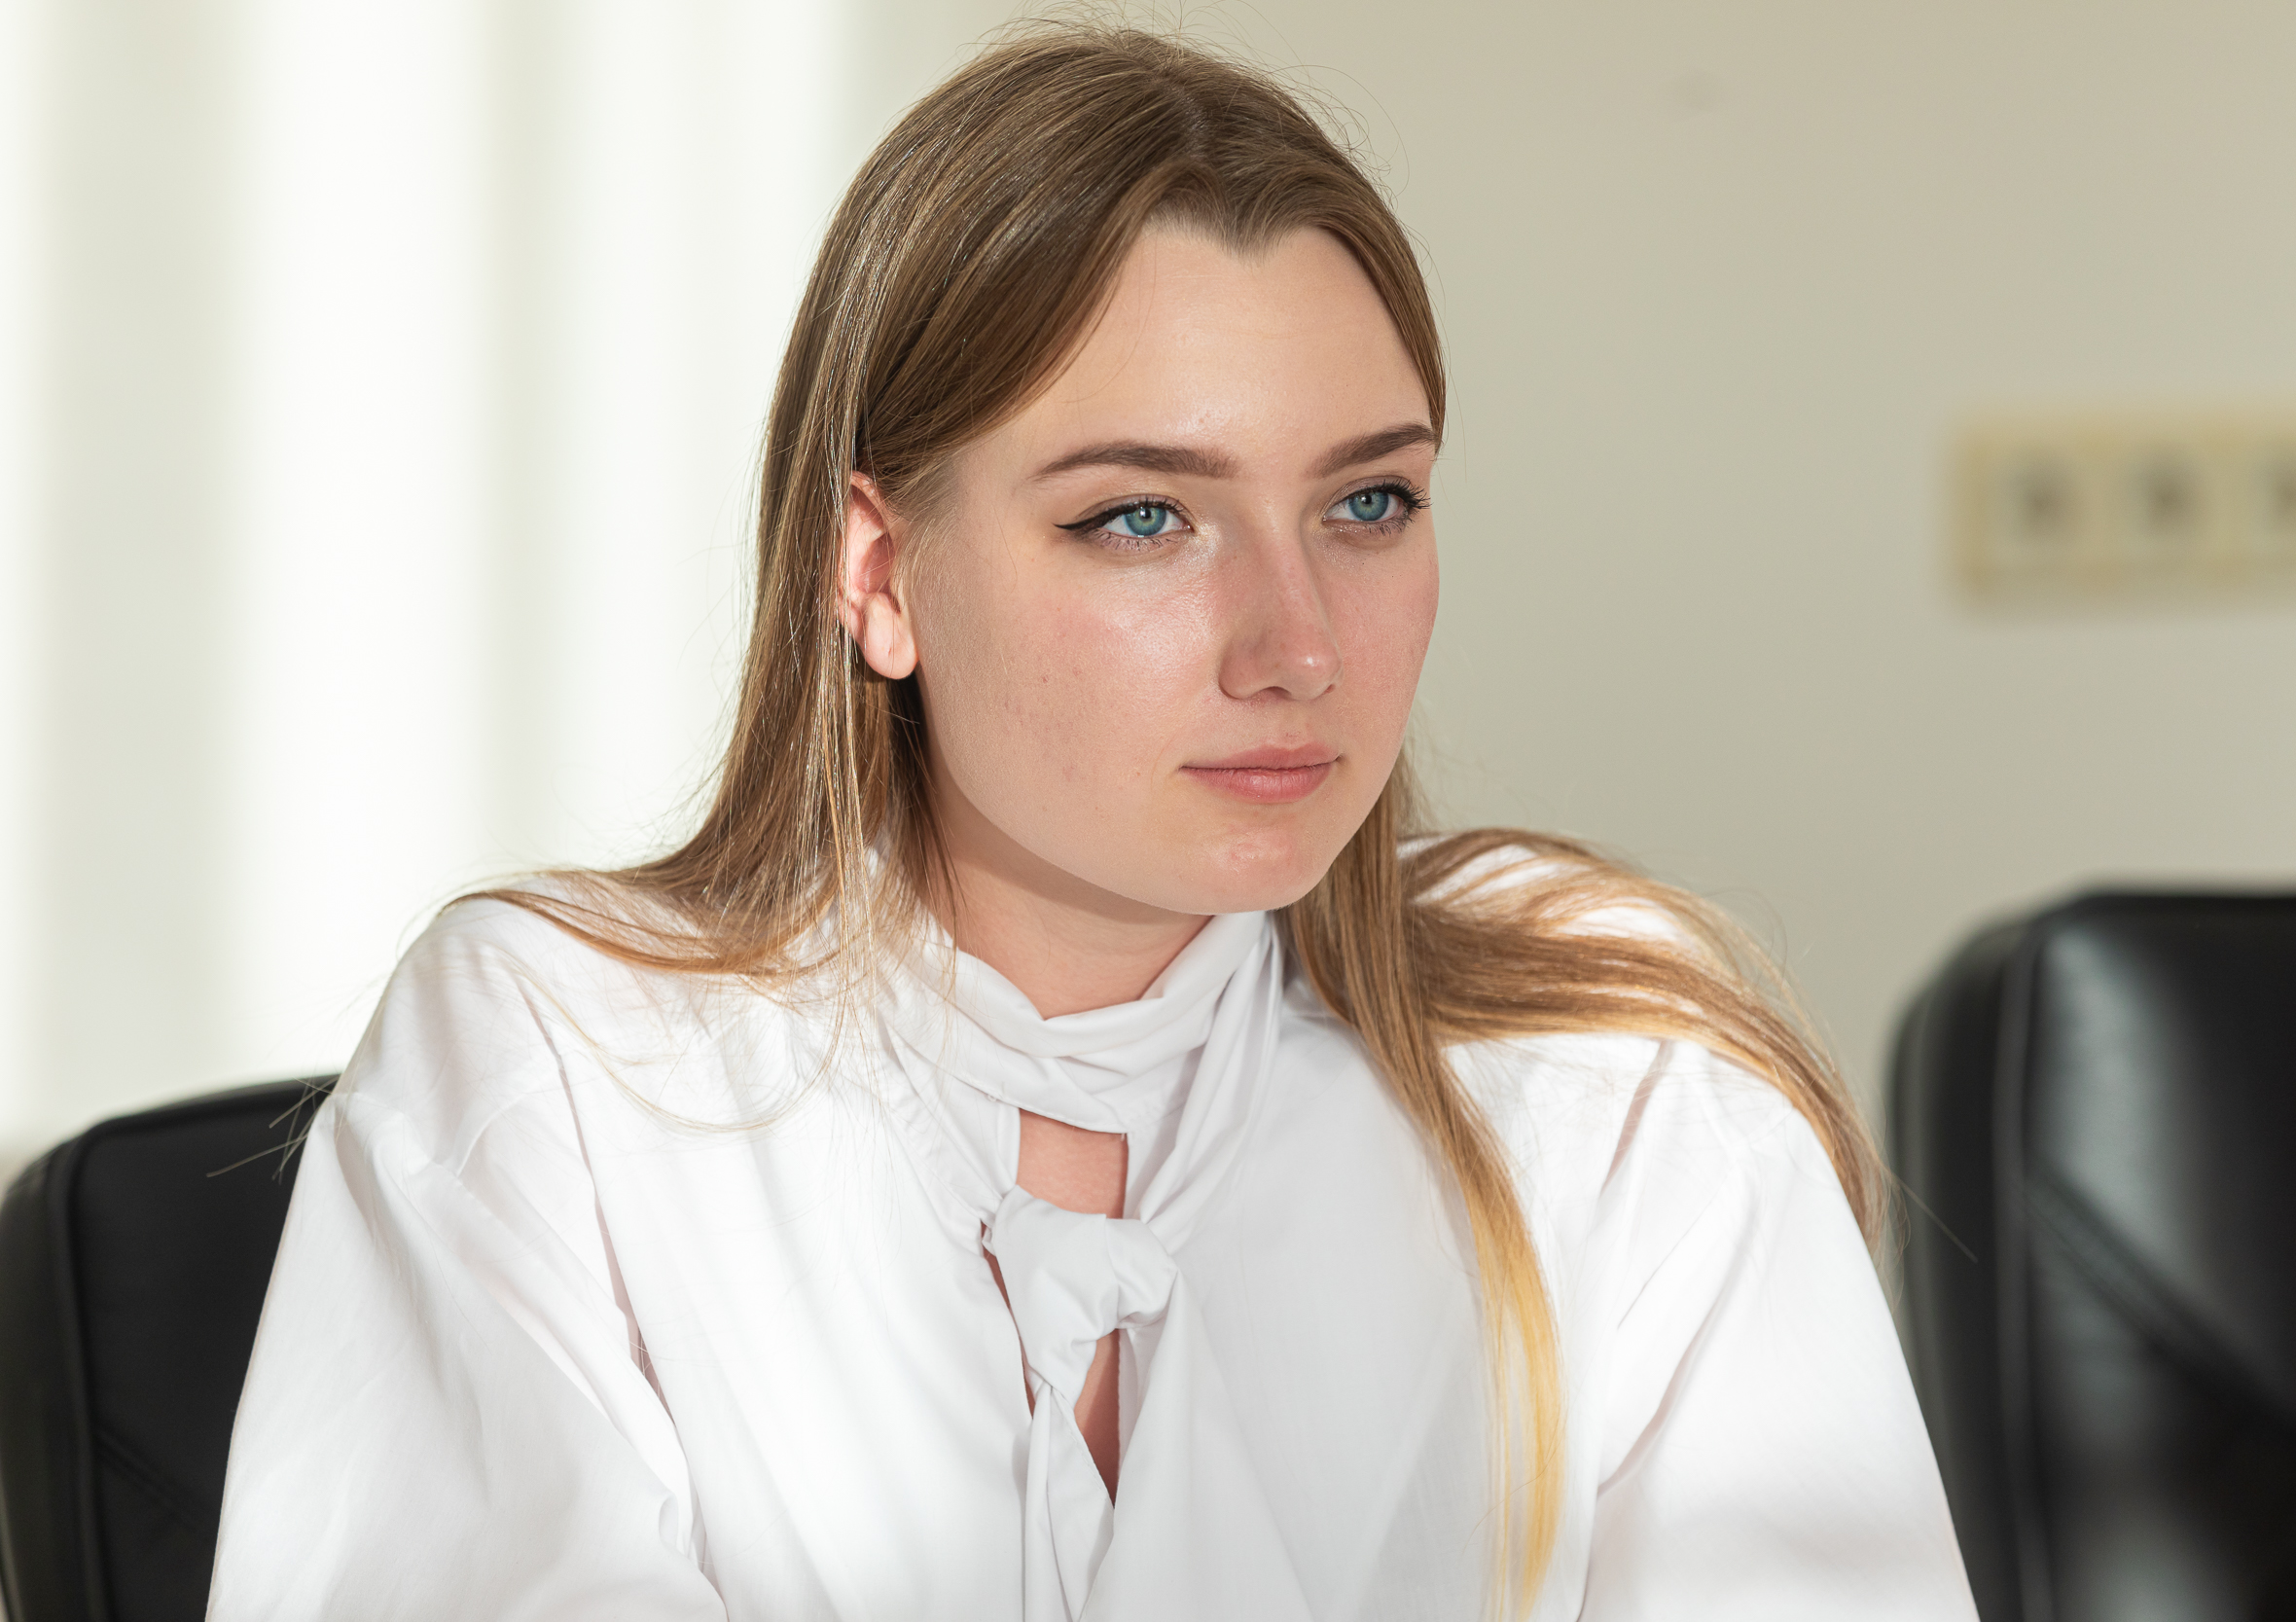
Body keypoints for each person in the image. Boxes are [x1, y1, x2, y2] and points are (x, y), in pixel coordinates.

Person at [206, 24, 1974, 1622]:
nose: (1297, 646)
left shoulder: (1611, 1074)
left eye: (1369, 502)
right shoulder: (565, 1064)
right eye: (1143, 518)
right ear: (880, 572)